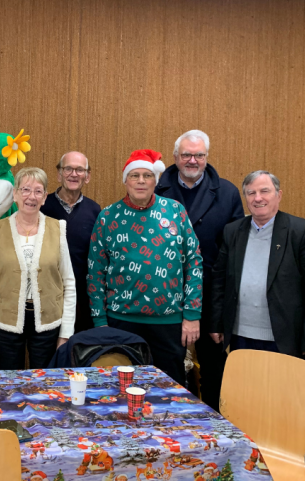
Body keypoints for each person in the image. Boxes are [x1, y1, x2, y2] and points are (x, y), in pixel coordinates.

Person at [88, 149, 203, 386]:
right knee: (120, 388)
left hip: (169, 322)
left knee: (169, 390)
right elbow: (95, 272)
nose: (141, 181)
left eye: (147, 175)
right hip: (121, 322)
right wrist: (100, 322)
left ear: (155, 180)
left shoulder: (175, 211)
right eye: (135, 175)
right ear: (126, 181)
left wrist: (192, 314)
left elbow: (194, 262)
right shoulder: (108, 217)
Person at [154, 130, 243, 410]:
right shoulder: (154, 189)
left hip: (210, 293)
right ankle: (168, 417)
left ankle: (215, 421)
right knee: (166, 364)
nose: (192, 160)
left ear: (206, 157)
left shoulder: (228, 193)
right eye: (186, 155)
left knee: (214, 365)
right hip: (164, 292)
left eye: (199, 155)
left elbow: (233, 250)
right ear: (175, 157)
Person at [210, 171, 305, 357]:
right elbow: (219, 281)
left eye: (264, 191)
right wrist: (216, 323)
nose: (258, 198)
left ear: (278, 195)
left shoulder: (302, 232)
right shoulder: (232, 231)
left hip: (284, 338)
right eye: (251, 193)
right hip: (239, 335)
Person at [0, 167, 77, 370]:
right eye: (25, 189)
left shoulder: (57, 229)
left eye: (38, 191)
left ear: (45, 197)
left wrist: (66, 333)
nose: (31, 196)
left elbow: (69, 283)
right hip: (5, 322)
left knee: (44, 380)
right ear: (15, 194)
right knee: (8, 380)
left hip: (48, 322)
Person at [40, 151, 101, 334]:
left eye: (80, 170)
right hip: (47, 295)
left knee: (79, 346)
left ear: (87, 176)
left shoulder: (95, 210)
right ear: (59, 174)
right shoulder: (42, 207)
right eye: (68, 169)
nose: (74, 174)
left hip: (82, 298)